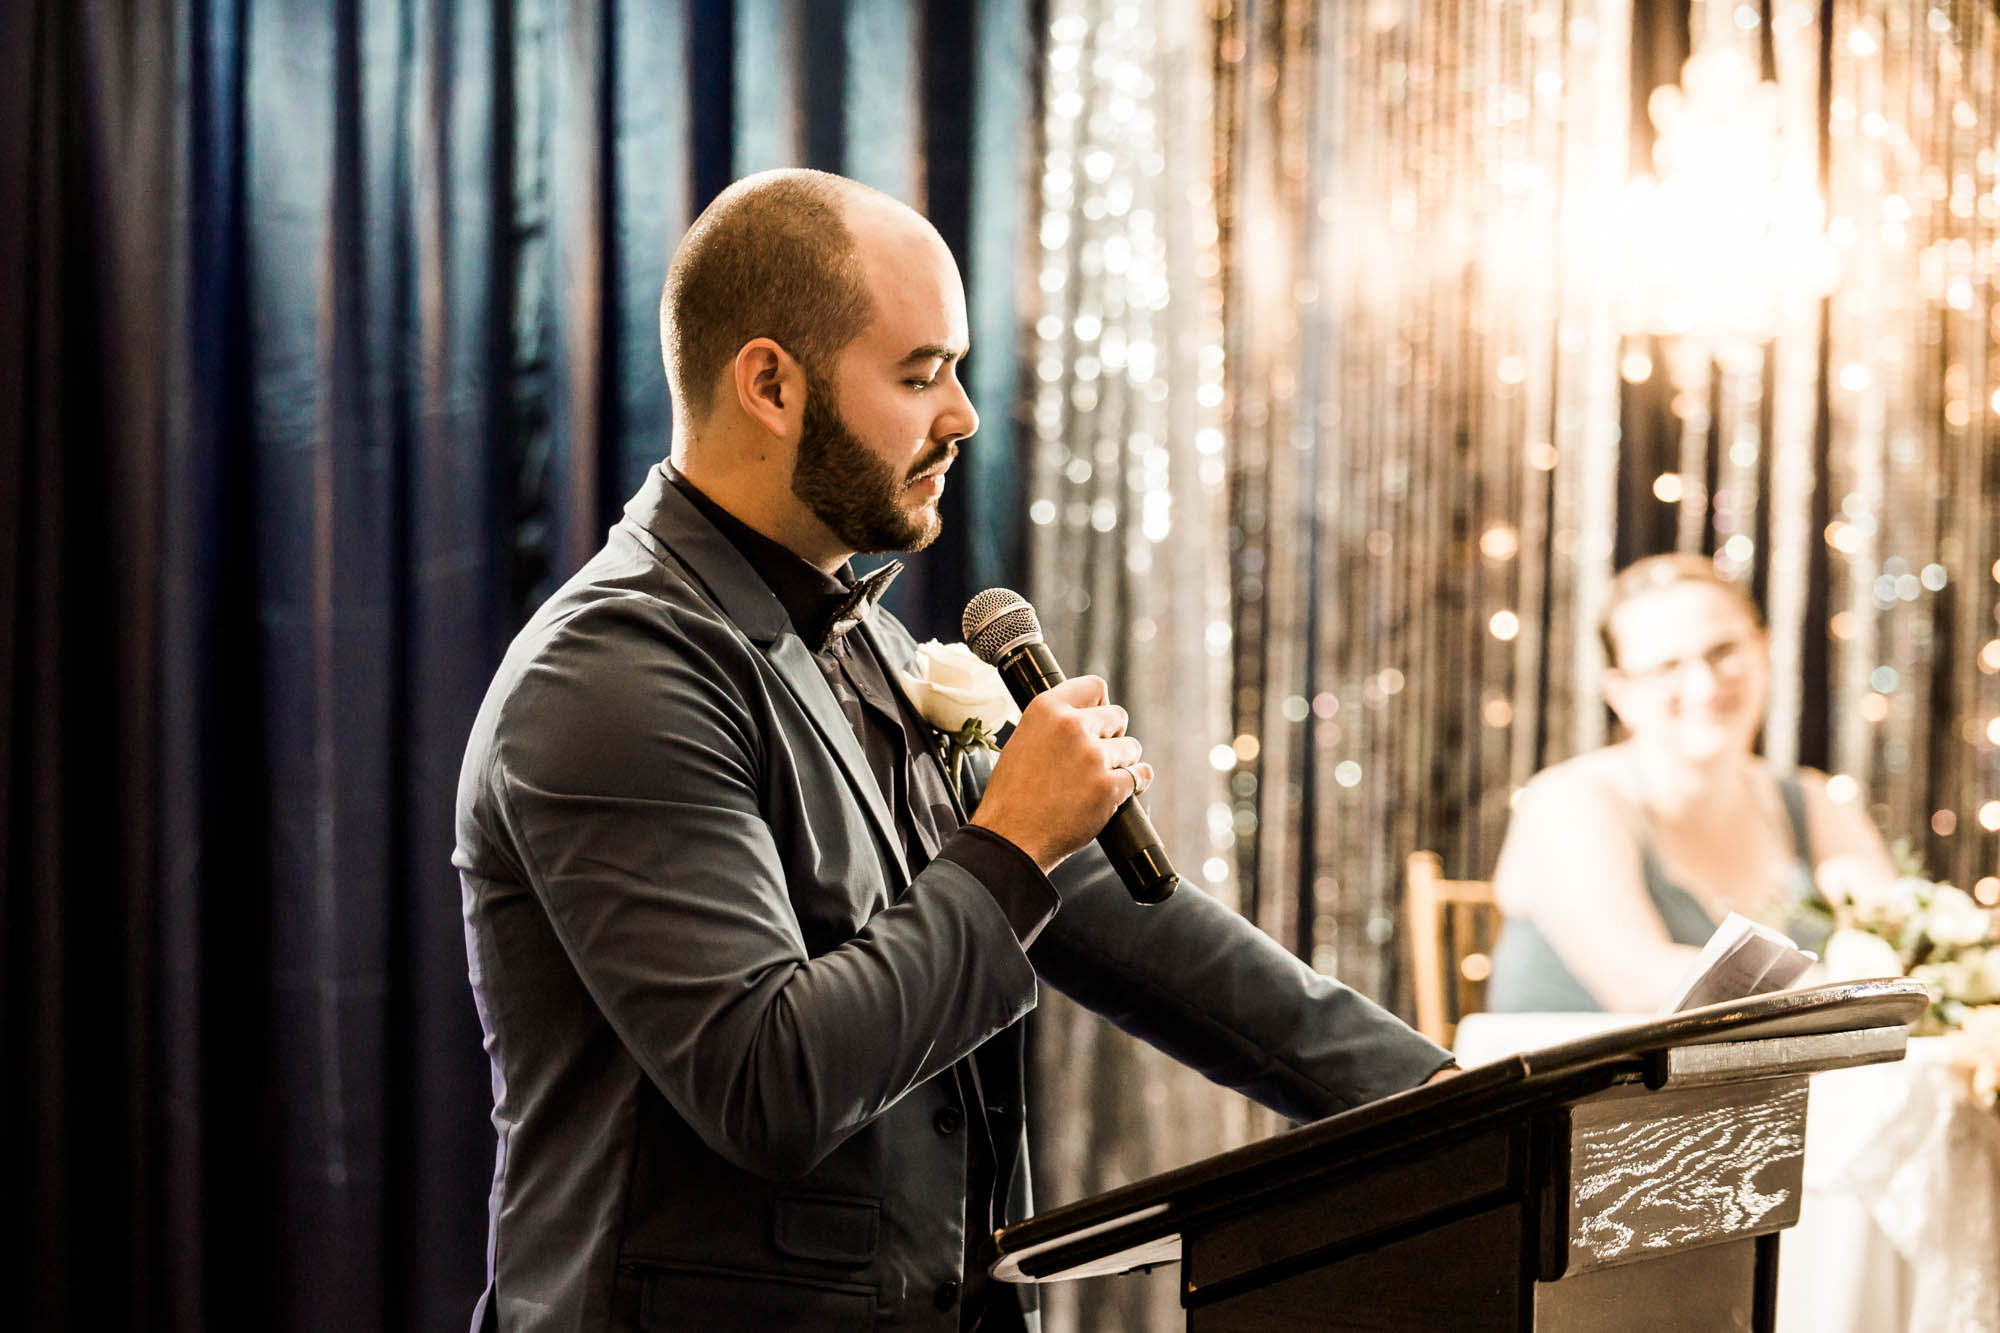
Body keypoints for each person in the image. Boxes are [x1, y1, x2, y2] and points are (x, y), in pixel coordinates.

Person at [452, 168, 1454, 1333]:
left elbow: (1113, 915)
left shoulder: (862, 639)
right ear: (770, 384)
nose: (963, 415)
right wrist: (1012, 841)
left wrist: (1432, 1094)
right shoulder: (613, 671)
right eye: (920, 373)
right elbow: (767, 1081)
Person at [1484, 553, 1898, 1014]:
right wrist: (1852, 989)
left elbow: (1907, 947)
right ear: (1620, 693)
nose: (1704, 685)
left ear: (1763, 652)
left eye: (1722, 652)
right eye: (1667, 666)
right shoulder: (1567, 801)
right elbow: (1636, 983)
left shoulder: (1814, 801)